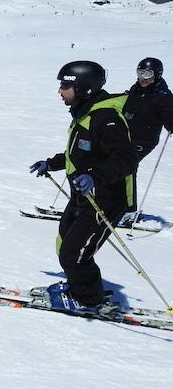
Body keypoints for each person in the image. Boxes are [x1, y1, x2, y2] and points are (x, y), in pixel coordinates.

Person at [29, 61, 136, 313]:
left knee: (74, 253)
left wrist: (95, 177)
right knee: (64, 241)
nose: (60, 91)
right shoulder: (85, 113)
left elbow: (126, 160)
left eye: (65, 85)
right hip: (85, 195)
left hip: (105, 199)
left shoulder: (107, 118)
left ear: (84, 88)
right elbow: (79, 153)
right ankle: (79, 286)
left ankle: (89, 300)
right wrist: (52, 163)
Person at [120, 57, 173, 223]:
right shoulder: (135, 90)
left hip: (144, 140)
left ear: (157, 75)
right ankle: (108, 204)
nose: (144, 77)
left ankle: (129, 211)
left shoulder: (163, 96)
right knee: (107, 165)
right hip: (125, 136)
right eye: (140, 73)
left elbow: (169, 118)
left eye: (148, 73)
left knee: (125, 167)